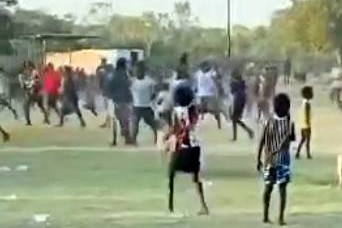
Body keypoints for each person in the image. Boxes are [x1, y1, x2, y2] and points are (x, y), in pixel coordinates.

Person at [163, 84, 209, 215]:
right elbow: (192, 125)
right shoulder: (194, 110)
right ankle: (203, 205)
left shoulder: (176, 111)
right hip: (195, 147)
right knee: (196, 177)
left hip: (182, 146)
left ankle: (170, 206)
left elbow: (176, 128)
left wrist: (167, 137)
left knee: (171, 173)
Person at [257, 93, 296, 226]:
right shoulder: (289, 123)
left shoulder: (269, 121)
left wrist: (258, 158)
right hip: (283, 160)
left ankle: (265, 216)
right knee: (282, 189)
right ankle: (280, 218)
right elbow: (289, 141)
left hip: (269, 160)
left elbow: (262, 140)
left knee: (268, 188)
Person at [131, 61, 157, 145]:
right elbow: (153, 94)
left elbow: (154, 93)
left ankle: (157, 137)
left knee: (150, 123)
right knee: (138, 124)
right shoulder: (149, 81)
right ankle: (133, 139)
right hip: (141, 106)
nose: (138, 72)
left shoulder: (136, 82)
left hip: (143, 106)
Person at [108, 58, 132, 146]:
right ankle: (127, 139)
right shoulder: (125, 75)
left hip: (115, 101)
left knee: (116, 121)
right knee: (125, 121)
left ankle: (114, 140)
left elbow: (109, 88)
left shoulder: (113, 75)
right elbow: (128, 87)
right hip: (124, 101)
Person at [19, 61, 49, 126]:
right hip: (31, 92)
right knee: (29, 106)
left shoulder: (34, 73)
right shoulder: (22, 75)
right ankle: (29, 121)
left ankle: (45, 118)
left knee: (38, 105)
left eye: (28, 66)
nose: (27, 68)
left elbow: (37, 82)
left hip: (35, 91)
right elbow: (23, 85)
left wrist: (31, 86)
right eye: (26, 67)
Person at [230, 69, 254, 141]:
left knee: (234, 119)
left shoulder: (233, 83)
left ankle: (247, 132)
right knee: (235, 119)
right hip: (242, 101)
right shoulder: (242, 83)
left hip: (237, 101)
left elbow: (232, 92)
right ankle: (248, 131)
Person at [296, 86, 314, 159]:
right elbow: (307, 114)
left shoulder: (303, 103)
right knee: (307, 140)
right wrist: (308, 122)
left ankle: (298, 152)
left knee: (303, 139)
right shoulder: (307, 104)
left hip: (302, 124)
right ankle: (308, 154)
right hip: (306, 125)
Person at [97, 58, 113, 128]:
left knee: (108, 109)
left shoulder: (103, 73)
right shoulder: (110, 72)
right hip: (110, 94)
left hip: (107, 93)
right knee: (108, 109)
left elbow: (100, 82)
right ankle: (108, 123)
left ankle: (108, 123)